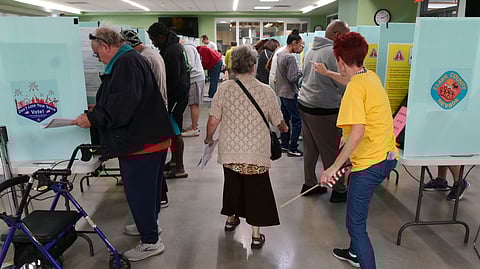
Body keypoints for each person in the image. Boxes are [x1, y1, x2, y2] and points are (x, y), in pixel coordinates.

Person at [73, 27, 173, 261]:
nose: (98, 59)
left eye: (98, 55)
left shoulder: (125, 63)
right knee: (149, 191)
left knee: (140, 193)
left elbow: (122, 106)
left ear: (106, 46)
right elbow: (127, 99)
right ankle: (149, 226)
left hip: (141, 143)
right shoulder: (131, 59)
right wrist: (99, 109)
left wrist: (93, 118)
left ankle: (150, 241)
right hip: (151, 138)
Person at [319, 32, 398, 269]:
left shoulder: (355, 89)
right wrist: (327, 73)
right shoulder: (369, 76)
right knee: (357, 216)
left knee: (355, 224)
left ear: (341, 60)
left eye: (337, 63)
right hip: (386, 156)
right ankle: (354, 253)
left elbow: (357, 132)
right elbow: (349, 80)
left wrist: (334, 167)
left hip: (370, 164)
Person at [204, 45, 288, 249]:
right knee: (257, 192)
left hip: (231, 150)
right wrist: (284, 128)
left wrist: (208, 138)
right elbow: (279, 121)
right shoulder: (265, 90)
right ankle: (256, 236)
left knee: (232, 185)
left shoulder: (224, 88)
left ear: (233, 65)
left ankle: (231, 219)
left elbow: (213, 120)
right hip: (257, 151)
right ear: (253, 65)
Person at [298, 20, 350, 202]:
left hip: (305, 105)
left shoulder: (312, 50)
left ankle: (309, 184)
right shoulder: (333, 54)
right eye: (346, 34)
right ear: (336, 35)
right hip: (323, 109)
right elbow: (344, 83)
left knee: (311, 148)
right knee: (332, 151)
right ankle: (339, 189)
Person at [148, 22, 190, 180]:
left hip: (176, 96)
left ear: (161, 37)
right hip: (181, 94)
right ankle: (174, 162)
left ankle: (179, 168)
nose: (152, 42)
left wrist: (165, 102)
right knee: (174, 131)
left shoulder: (171, 51)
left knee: (175, 132)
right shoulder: (174, 47)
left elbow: (170, 79)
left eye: (153, 39)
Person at [275, 29, 304, 157]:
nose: (300, 47)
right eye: (300, 44)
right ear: (294, 43)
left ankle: (285, 145)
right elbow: (292, 78)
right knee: (297, 120)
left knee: (285, 119)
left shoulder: (280, 54)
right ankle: (293, 147)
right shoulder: (290, 57)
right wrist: (301, 71)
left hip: (281, 92)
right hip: (290, 93)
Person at [181, 38, 206, 137]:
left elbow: (189, 64)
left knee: (193, 104)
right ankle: (194, 125)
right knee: (194, 104)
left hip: (195, 78)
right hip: (197, 78)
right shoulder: (189, 46)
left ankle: (194, 129)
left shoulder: (186, 48)